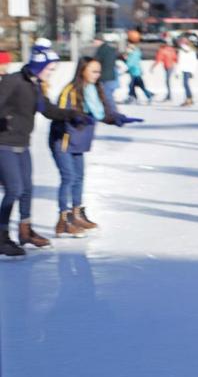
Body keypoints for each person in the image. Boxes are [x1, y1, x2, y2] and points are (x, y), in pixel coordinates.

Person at [0, 47, 86, 255]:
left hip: (23, 143)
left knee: (27, 189)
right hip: (4, 143)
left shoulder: (36, 85)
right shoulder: (13, 80)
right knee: (14, 190)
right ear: (40, 65)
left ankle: (25, 231)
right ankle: (1, 237)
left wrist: (72, 114)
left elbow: (48, 110)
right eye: (50, 68)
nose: (52, 72)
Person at [50, 57, 139, 237]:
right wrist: (74, 118)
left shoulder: (94, 89)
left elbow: (101, 114)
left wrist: (116, 119)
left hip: (80, 141)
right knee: (68, 178)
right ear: (82, 70)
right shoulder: (70, 90)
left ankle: (77, 214)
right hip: (64, 139)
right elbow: (59, 113)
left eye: (98, 72)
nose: (97, 75)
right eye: (93, 71)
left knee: (79, 177)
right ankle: (63, 219)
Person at [124, 37, 152, 104]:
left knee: (132, 85)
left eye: (129, 47)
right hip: (134, 71)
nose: (128, 49)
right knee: (135, 86)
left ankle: (134, 97)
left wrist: (126, 65)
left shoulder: (134, 53)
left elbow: (131, 62)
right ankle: (136, 97)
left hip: (135, 72)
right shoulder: (134, 53)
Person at [95, 34, 121, 104]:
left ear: (99, 41)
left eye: (95, 41)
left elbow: (96, 62)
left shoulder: (101, 50)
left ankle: (111, 112)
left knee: (106, 97)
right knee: (108, 96)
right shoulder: (111, 49)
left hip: (104, 75)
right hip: (112, 75)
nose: (94, 43)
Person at [176, 38, 197, 107]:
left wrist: (177, 72)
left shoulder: (183, 50)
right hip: (188, 69)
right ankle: (189, 98)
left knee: (185, 84)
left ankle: (189, 98)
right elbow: (194, 61)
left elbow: (180, 62)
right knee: (185, 84)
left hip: (185, 69)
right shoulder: (191, 50)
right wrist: (192, 71)